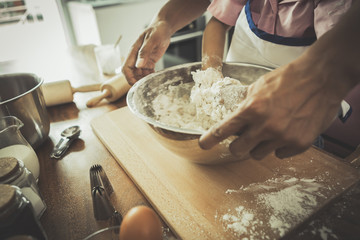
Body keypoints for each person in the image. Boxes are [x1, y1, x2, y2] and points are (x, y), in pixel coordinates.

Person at [122, 0, 360, 160]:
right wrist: (212, 79)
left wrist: (321, 83)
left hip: (292, 119)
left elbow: (344, 46)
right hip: (232, 106)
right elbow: (216, 25)